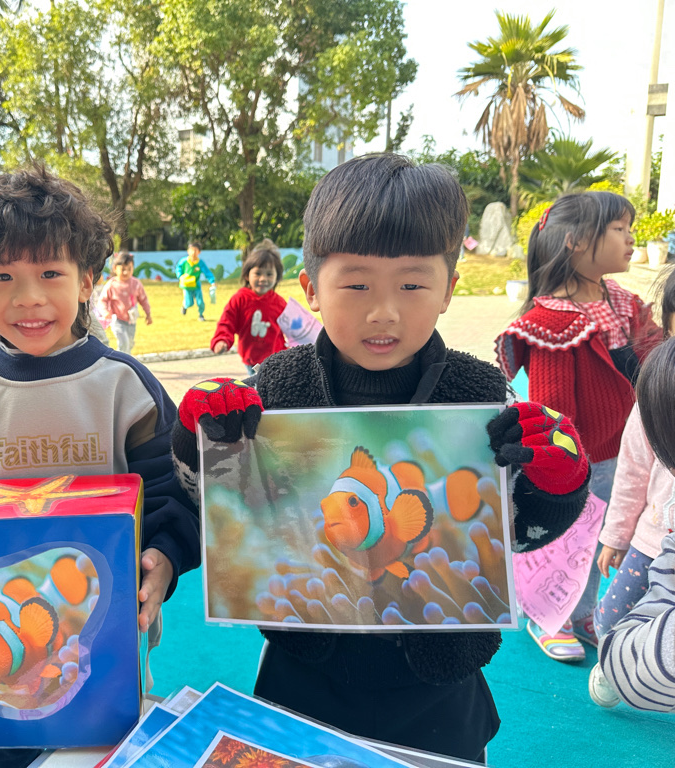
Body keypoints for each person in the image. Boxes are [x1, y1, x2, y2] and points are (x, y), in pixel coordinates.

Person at [170, 153, 590, 763]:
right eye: (357, 285)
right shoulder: (272, 388)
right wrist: (197, 437)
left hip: (439, 688)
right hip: (301, 673)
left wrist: (557, 483)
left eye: (412, 285)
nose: (384, 311)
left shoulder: (483, 395)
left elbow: (521, 536)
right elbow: (204, 497)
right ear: (311, 289)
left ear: (448, 289)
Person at [0, 167, 200, 768]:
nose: (28, 298)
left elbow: (170, 492)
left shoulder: (123, 386)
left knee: (101, 752)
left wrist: (165, 557)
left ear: (87, 280)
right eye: (2, 277)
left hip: (102, 646)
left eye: (50, 273)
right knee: (0, 755)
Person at [496, 191, 663, 661]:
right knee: (567, 536)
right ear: (575, 241)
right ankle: (549, 616)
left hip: (624, 449)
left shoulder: (625, 304)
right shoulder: (552, 321)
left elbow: (655, 360)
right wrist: (562, 463)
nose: (631, 239)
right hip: (578, 458)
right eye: (620, 229)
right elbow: (552, 407)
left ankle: (583, 610)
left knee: (600, 534)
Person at [586, 268, 675, 705]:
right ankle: (613, 665)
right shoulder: (657, 395)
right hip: (651, 541)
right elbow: (633, 473)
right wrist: (617, 536)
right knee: (612, 616)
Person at [211, 238, 287, 374]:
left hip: (277, 360)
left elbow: (295, 328)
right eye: (258, 273)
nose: (263, 279)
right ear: (247, 275)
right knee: (255, 387)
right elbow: (227, 321)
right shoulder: (239, 299)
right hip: (251, 361)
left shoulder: (280, 303)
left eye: (269, 274)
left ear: (277, 277)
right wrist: (221, 339)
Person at [97, 250, 152, 354]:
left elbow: (143, 299)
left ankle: (125, 358)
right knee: (124, 342)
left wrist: (148, 314)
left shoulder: (136, 284)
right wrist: (105, 312)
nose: (126, 272)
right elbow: (103, 300)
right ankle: (121, 360)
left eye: (129, 269)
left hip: (131, 320)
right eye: (123, 269)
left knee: (130, 343)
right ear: (115, 269)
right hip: (117, 320)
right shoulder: (112, 285)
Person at [175, 241, 214, 321]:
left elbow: (207, 272)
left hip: (196, 285)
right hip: (186, 285)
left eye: (195, 250)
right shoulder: (184, 261)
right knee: (189, 303)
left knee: (200, 302)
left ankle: (201, 315)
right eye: (191, 250)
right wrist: (180, 276)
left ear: (199, 252)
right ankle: (184, 306)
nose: (193, 252)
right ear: (188, 251)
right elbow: (178, 268)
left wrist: (212, 281)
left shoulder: (200, 263)